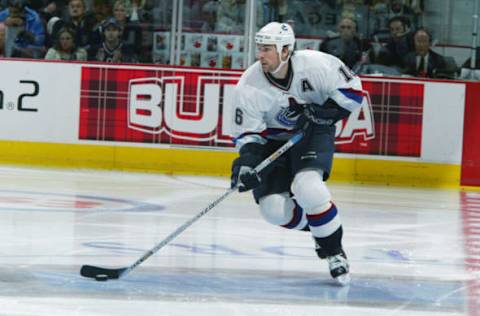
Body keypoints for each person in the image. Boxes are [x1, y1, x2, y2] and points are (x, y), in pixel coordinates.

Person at [230, 22, 365, 285]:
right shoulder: (249, 85)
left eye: (267, 49)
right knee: (273, 210)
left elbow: (353, 92)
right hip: (272, 144)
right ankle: (321, 227)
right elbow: (248, 136)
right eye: (260, 49)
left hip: (313, 132)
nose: (261, 55)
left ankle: (334, 251)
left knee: (309, 189)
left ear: (285, 50)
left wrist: (322, 113)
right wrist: (246, 165)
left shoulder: (317, 65)